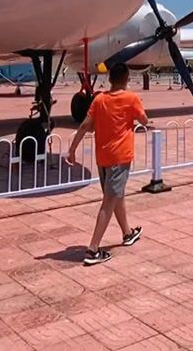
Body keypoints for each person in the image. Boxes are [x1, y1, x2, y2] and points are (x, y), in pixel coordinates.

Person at [67, 63, 150, 265]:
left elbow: (86, 124)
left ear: (110, 78)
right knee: (109, 201)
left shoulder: (100, 99)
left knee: (115, 194)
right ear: (127, 78)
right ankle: (93, 249)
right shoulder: (131, 99)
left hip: (102, 157)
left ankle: (127, 233)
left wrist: (72, 148)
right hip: (120, 157)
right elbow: (145, 120)